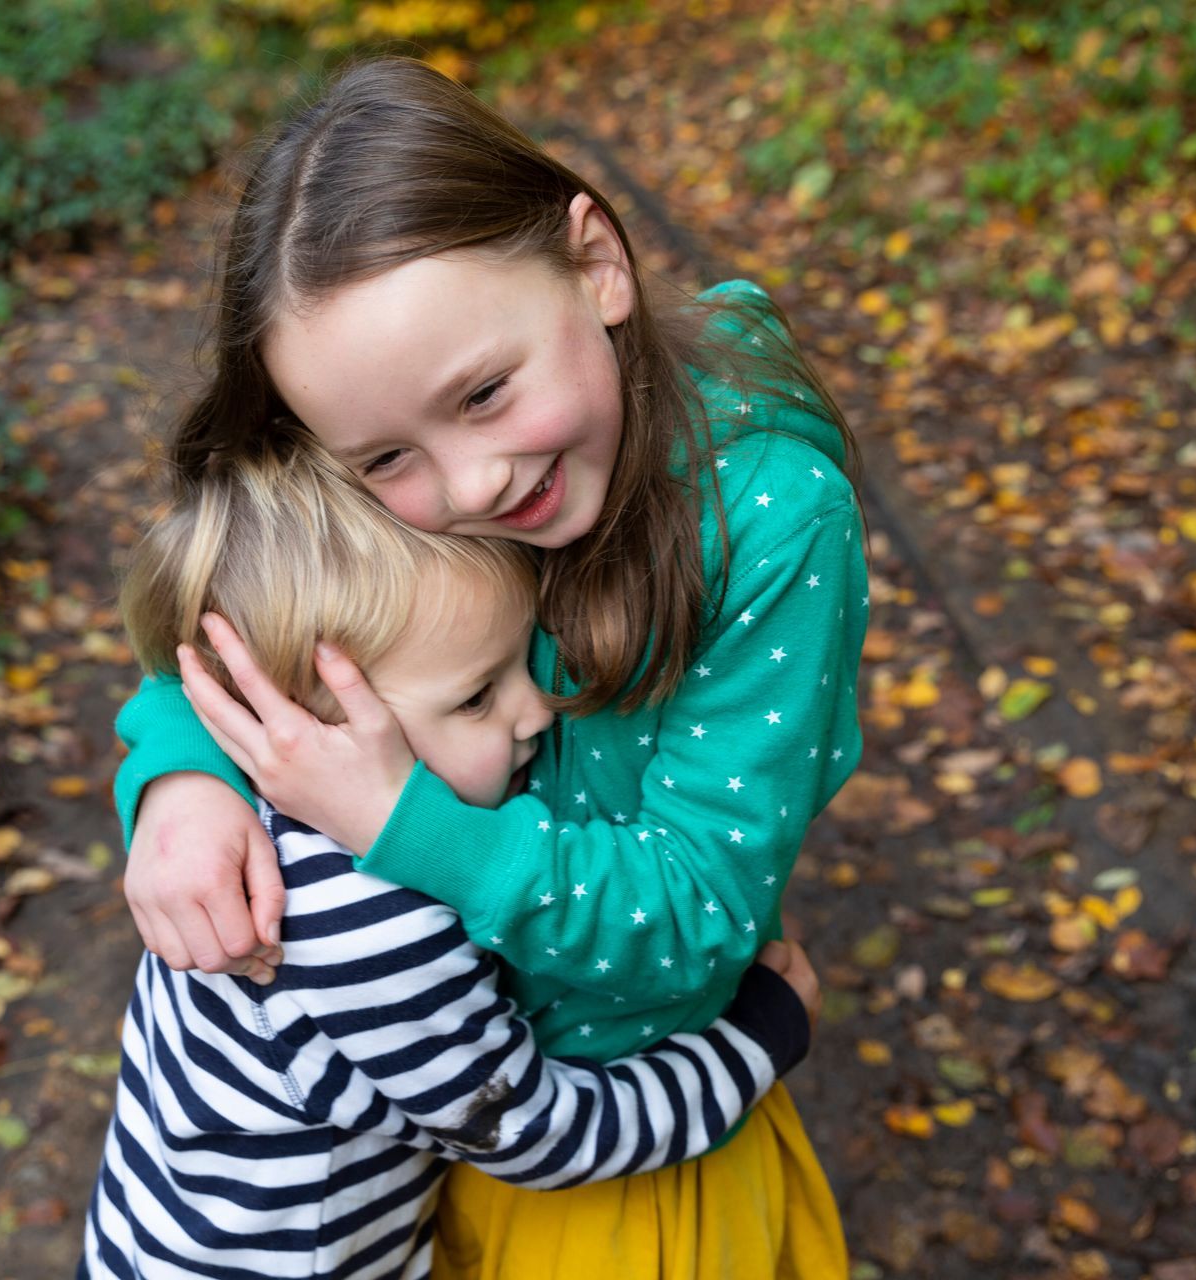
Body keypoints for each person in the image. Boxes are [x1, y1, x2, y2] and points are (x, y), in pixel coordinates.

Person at [116, 56, 866, 1275]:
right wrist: (183, 773)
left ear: (597, 264)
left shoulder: (773, 521)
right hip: (419, 1141)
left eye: (485, 392)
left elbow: (691, 905)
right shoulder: (399, 442)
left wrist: (404, 822)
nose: (467, 488)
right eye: (386, 461)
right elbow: (267, 614)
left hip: (613, 1133)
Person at [83, 437, 822, 1279]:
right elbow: (530, 1131)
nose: (539, 709)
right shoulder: (368, 922)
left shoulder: (258, 783)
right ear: (310, 719)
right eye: (478, 695)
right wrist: (754, 1041)